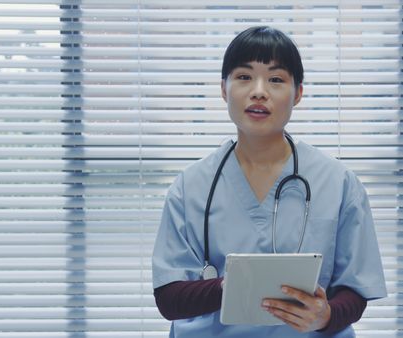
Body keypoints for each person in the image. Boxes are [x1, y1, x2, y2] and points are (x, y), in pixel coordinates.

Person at [152, 26, 386, 337]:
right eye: (244, 77)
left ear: (298, 93)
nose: (259, 91)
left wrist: (326, 316)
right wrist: (236, 285)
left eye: (276, 79)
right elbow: (169, 299)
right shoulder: (190, 187)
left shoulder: (339, 183)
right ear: (224, 89)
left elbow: (354, 291)